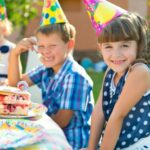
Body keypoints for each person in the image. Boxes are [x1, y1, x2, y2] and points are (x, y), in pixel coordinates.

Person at [8, 0, 94, 149]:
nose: (45, 51)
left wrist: (31, 124)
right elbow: (15, 85)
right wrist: (15, 54)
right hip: (51, 134)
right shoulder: (46, 69)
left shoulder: (74, 76)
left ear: (70, 45)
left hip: (71, 143)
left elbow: (62, 121)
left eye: (52, 46)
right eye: (41, 46)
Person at [84, 0, 150, 149]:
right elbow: (99, 111)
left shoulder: (139, 72)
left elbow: (117, 116)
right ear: (100, 48)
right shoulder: (110, 71)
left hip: (138, 144)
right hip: (116, 143)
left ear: (138, 46)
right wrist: (91, 147)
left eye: (125, 45)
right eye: (108, 46)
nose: (116, 54)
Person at [0, 0, 15, 85]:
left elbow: (15, 74)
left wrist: (7, 82)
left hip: (4, 87)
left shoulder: (11, 48)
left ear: (4, 29)